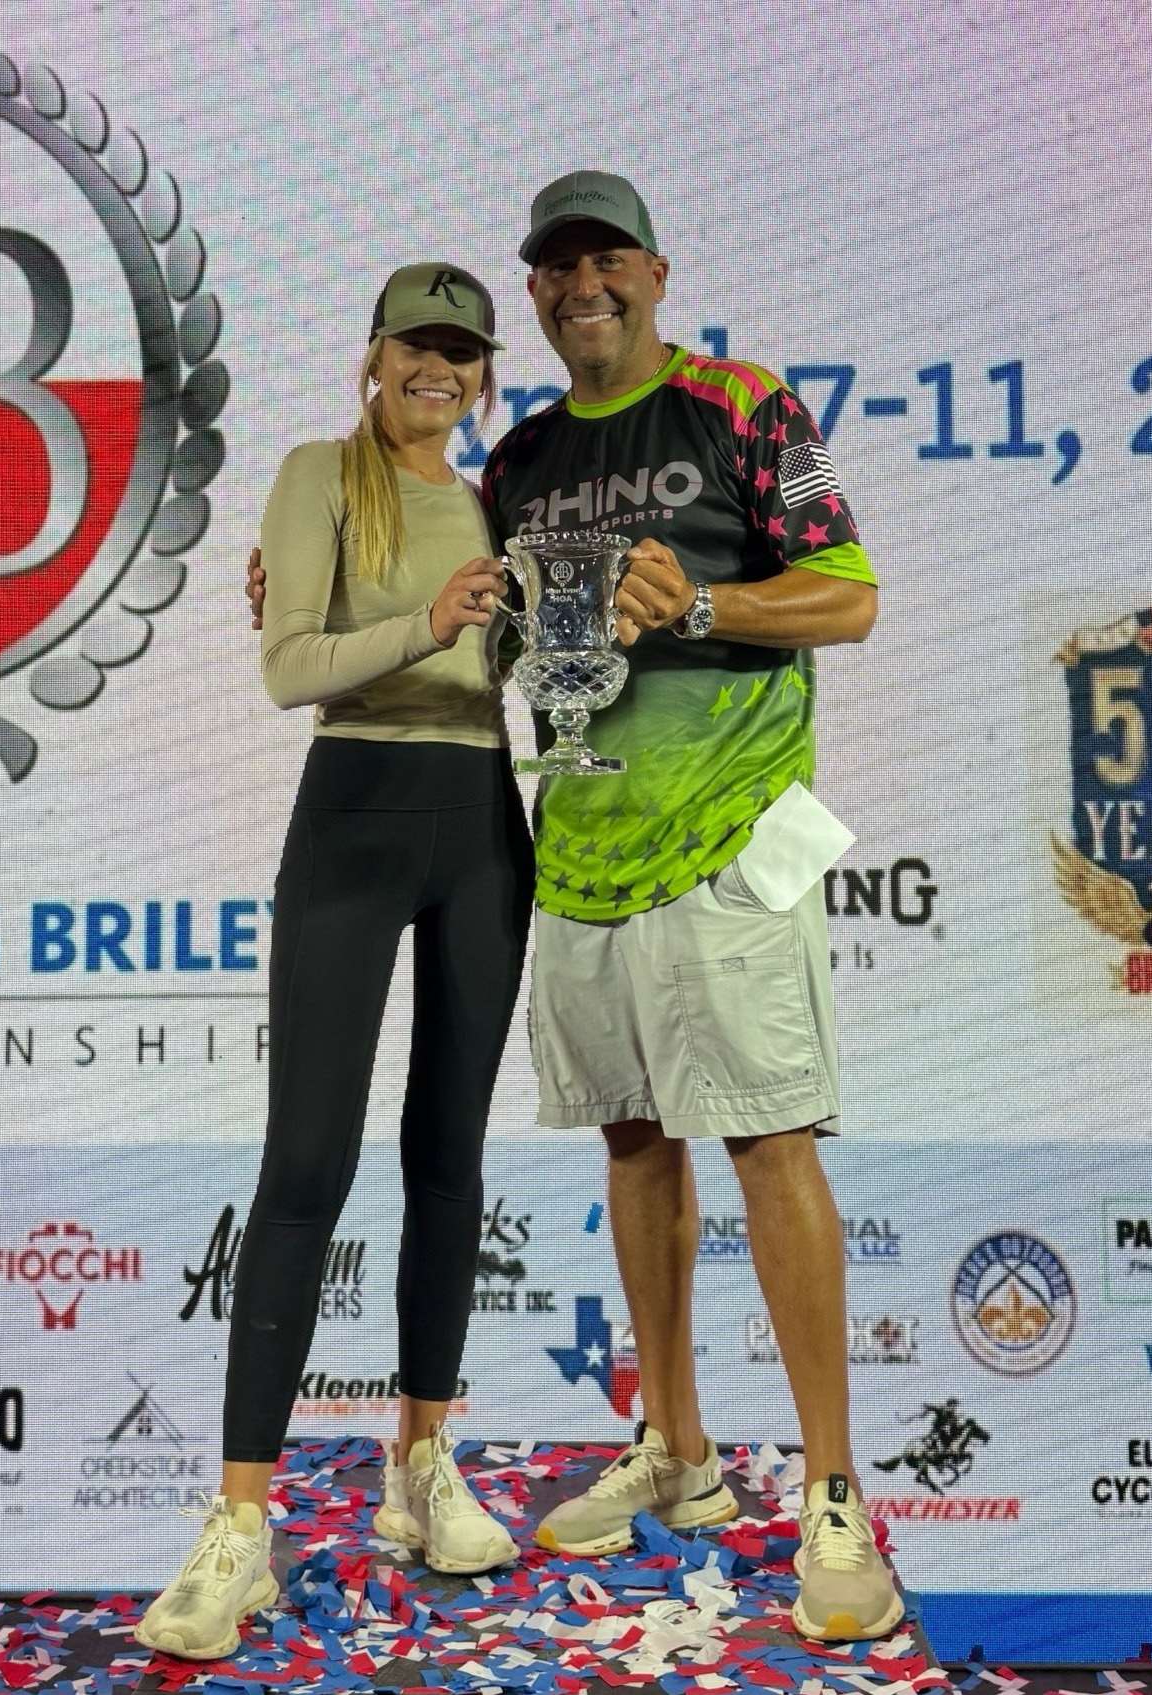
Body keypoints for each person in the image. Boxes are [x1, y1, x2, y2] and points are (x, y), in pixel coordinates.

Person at [247, 177, 901, 1643]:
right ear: (529, 301)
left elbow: (849, 596)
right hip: (580, 846)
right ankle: (677, 1445)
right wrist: (298, 587)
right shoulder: (523, 456)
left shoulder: (742, 406)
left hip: (729, 839)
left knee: (768, 1138)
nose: (578, 284)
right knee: (630, 1139)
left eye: (603, 258)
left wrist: (703, 610)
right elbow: (457, 592)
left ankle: (836, 1498)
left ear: (654, 273)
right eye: (552, 268)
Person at [137, 262, 528, 1662]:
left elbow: (535, 666)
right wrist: (425, 625)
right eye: (417, 348)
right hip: (356, 814)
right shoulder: (320, 474)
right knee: (305, 1163)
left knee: (449, 1160)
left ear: (484, 372)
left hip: (486, 820)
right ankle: (240, 1527)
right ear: (372, 359)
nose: (439, 371)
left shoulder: (500, 499)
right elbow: (288, 666)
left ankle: (421, 1463)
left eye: (462, 352)